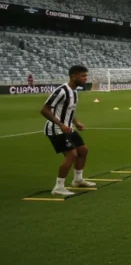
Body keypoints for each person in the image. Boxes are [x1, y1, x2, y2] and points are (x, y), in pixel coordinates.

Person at [40, 65, 95, 197]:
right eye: (83, 76)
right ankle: (58, 187)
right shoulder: (62, 91)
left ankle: (78, 180)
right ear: (73, 76)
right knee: (72, 156)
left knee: (83, 150)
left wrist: (76, 122)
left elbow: (68, 111)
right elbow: (44, 110)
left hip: (67, 127)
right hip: (56, 129)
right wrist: (60, 124)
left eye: (86, 76)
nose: (85, 79)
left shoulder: (74, 92)